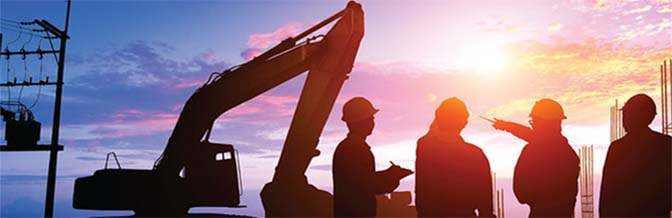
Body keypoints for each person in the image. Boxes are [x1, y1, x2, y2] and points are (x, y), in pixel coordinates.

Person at [492, 98, 579, 217]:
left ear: (544, 124)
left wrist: (506, 126)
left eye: (534, 122)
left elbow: (522, 194)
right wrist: (507, 126)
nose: (533, 126)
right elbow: (533, 135)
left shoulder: (532, 152)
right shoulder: (570, 155)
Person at [415, 97, 495, 217]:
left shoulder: (426, 148)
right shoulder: (475, 154)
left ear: (439, 119)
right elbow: (485, 204)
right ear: (464, 123)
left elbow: (429, 136)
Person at [332, 97, 411, 217]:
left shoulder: (349, 148)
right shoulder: (354, 150)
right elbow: (367, 185)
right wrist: (393, 178)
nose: (373, 122)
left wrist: (387, 174)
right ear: (363, 121)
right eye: (371, 118)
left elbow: (362, 178)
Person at [599, 93, 671, 217]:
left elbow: (607, 194)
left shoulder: (618, 148)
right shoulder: (666, 144)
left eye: (626, 114)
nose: (624, 119)